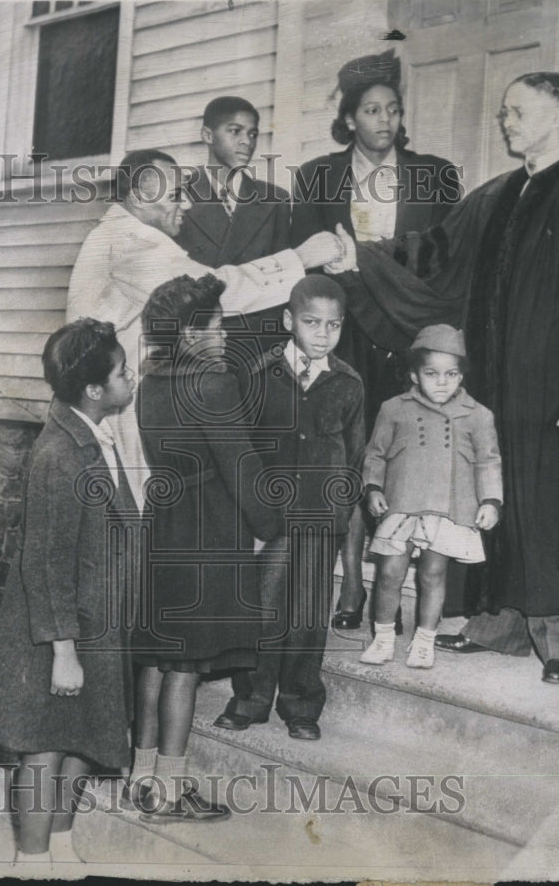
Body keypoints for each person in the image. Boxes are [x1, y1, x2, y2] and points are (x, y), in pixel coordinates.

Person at [342, 72, 559, 685]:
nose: (505, 122)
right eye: (504, 112)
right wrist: (360, 257)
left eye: (517, 110)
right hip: (500, 381)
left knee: (555, 503)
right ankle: (501, 622)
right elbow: (438, 252)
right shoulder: (502, 192)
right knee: (498, 496)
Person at [66, 148, 352, 509]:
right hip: (115, 405)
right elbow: (212, 289)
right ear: (139, 196)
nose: (185, 205)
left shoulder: (124, 234)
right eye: (174, 196)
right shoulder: (128, 240)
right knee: (135, 514)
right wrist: (302, 258)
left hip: (116, 397)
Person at [290, 49, 463, 632]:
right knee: (350, 454)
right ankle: (351, 584)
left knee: (406, 456)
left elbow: (446, 262)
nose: (384, 120)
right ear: (349, 118)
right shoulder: (317, 177)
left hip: (408, 340)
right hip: (345, 338)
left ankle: (400, 580)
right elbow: (307, 272)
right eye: (370, 110)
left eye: (392, 109)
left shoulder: (435, 174)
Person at [0, 319, 139, 865]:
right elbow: (44, 564)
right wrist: (63, 653)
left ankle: (61, 845)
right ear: (95, 389)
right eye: (122, 371)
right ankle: (31, 859)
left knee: (83, 737)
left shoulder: (91, 433)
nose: (129, 375)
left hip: (94, 617)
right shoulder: (59, 456)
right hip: (56, 629)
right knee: (45, 744)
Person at [130, 274, 283, 821]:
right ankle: (170, 793)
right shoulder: (212, 384)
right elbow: (240, 466)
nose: (224, 334)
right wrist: (273, 520)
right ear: (190, 332)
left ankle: (142, 779)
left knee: (155, 658)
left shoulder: (151, 379)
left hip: (164, 523)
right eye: (215, 325)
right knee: (186, 666)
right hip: (207, 532)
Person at [214, 275, 364, 741]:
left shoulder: (349, 383)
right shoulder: (258, 376)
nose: (323, 334)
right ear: (288, 321)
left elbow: (353, 463)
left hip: (321, 521)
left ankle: (301, 704)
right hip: (271, 521)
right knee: (262, 608)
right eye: (312, 322)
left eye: (333, 325)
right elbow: (243, 454)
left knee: (306, 615)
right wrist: (251, 517)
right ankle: (250, 699)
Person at [359, 325, 502, 670]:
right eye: (432, 373)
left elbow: (488, 461)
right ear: (414, 374)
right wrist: (373, 487)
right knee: (390, 572)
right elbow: (375, 455)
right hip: (402, 503)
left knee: (433, 575)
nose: (442, 382)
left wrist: (491, 501)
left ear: (462, 375)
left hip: (448, 508)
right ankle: (383, 639)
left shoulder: (478, 415)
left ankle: (424, 642)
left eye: (451, 374)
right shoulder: (394, 409)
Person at [175, 95, 292, 351]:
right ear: (207, 135)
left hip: (259, 344)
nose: (246, 142)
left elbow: (284, 279)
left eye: (252, 134)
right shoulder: (177, 195)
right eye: (235, 131)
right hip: (199, 343)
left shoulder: (276, 200)